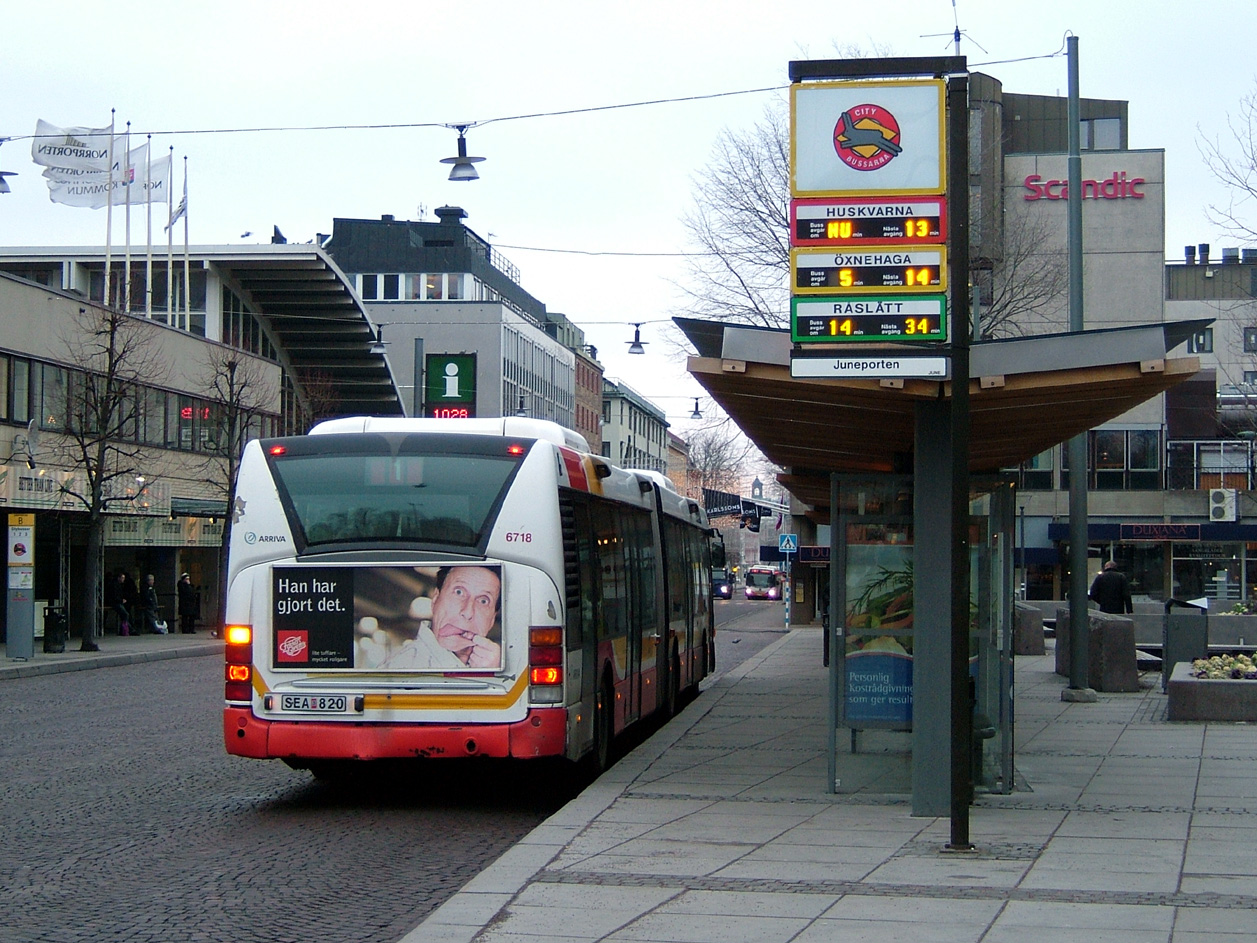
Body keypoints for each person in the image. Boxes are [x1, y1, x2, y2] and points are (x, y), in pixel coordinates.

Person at [381, 565, 502, 669]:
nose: (468, 612)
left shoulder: (496, 666)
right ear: (435, 600)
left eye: (483, 601)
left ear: (492, 620)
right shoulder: (401, 667)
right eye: (459, 592)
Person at [106, 571, 131, 636]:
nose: (123, 579)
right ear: (118, 578)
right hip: (115, 603)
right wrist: (121, 600)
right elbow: (114, 596)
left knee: (125, 613)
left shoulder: (118, 585)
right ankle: (126, 629)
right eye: (122, 578)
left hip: (117, 601)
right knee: (125, 614)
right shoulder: (114, 585)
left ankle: (124, 629)